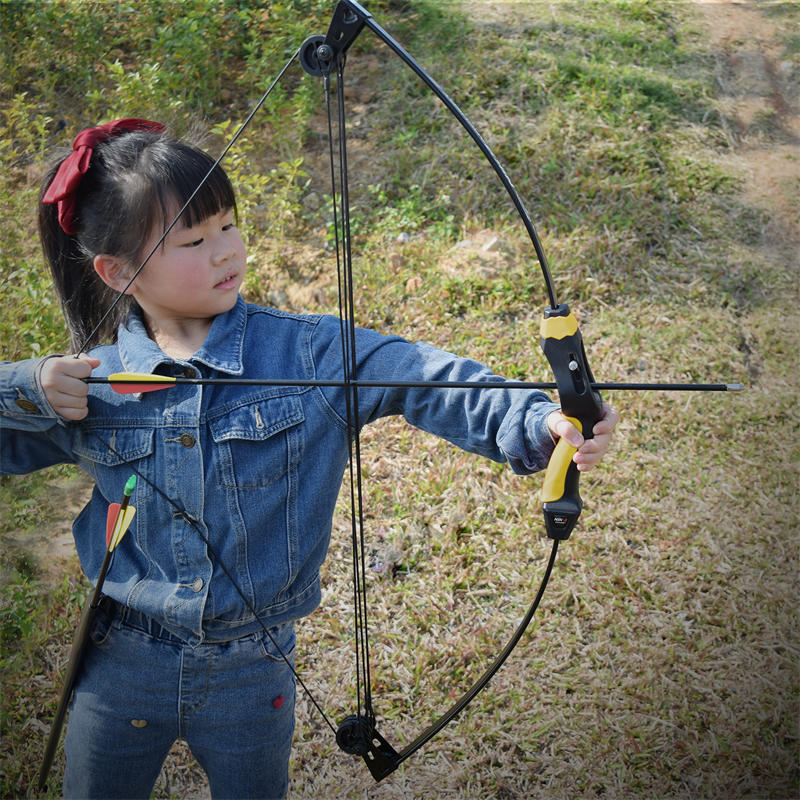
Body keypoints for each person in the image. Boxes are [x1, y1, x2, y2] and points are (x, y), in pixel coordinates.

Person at [0, 119, 618, 799]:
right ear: (117, 272)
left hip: (251, 669)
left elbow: (419, 376)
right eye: (194, 240)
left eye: (229, 226)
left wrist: (536, 418)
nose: (225, 251)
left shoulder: (309, 354)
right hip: (121, 660)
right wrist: (22, 389)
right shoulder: (89, 383)